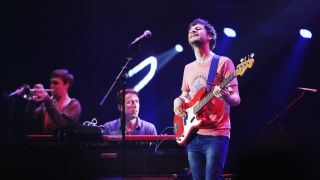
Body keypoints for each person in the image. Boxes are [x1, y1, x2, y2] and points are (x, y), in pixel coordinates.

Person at [173, 18, 241, 180]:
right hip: (193, 134)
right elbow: (185, 94)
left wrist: (226, 96)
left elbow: (236, 99)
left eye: (197, 28)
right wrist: (177, 100)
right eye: (190, 30)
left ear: (210, 36)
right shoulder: (188, 68)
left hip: (217, 134)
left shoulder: (223, 62)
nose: (193, 31)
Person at [27, 69, 81, 134]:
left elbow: (63, 124)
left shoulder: (73, 104)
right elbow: (31, 119)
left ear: (66, 84)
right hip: (45, 142)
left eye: (55, 83)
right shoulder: (48, 103)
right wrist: (32, 100)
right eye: (51, 83)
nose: (51, 85)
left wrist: (47, 99)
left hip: (63, 143)